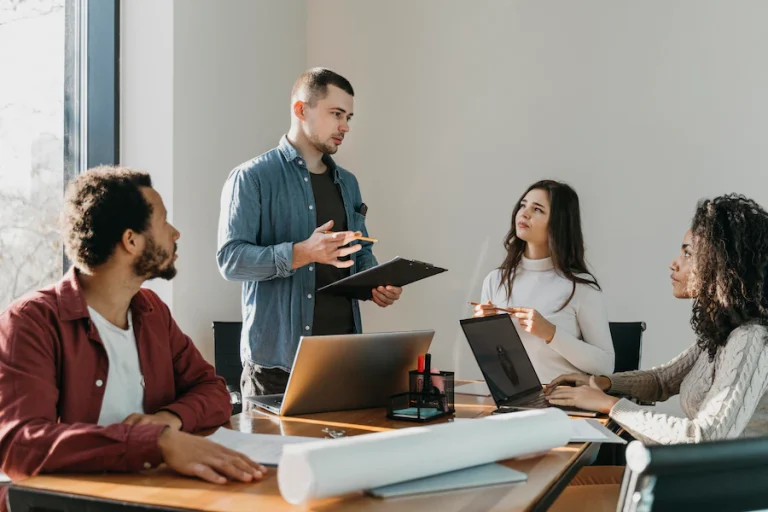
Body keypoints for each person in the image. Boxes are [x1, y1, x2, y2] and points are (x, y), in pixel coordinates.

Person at [0, 167, 266, 504]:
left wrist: (167, 421)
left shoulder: (152, 311)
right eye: (164, 221)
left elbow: (213, 391)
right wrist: (155, 442)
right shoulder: (31, 321)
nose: (175, 233)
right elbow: (20, 444)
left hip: (157, 496)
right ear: (131, 240)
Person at [547, 194, 768, 511]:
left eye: (687, 253)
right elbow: (663, 380)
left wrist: (609, 405)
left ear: (722, 263)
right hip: (697, 482)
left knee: (555, 501)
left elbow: (703, 438)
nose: (674, 263)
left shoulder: (750, 339)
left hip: (721, 496)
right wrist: (604, 383)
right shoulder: (724, 332)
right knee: (559, 485)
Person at [217, 68, 402, 399]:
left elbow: (358, 251)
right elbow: (231, 261)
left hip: (343, 358)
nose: (345, 126)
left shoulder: (348, 183)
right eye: (336, 114)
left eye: (348, 117)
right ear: (301, 109)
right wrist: (302, 252)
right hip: (277, 368)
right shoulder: (251, 177)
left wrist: (375, 282)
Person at [473, 180, 614, 384]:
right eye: (523, 205)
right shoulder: (495, 281)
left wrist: (550, 332)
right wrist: (481, 330)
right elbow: (491, 361)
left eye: (537, 209)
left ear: (558, 223)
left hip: (562, 398)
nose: (524, 213)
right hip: (507, 397)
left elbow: (606, 365)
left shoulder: (581, 286)